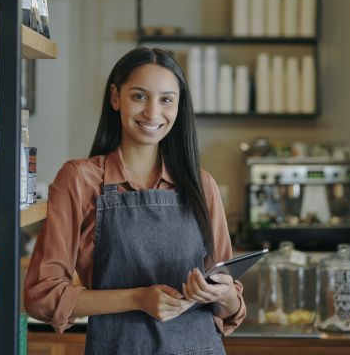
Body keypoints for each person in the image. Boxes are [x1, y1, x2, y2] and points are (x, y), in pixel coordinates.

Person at [24, 47, 245, 354]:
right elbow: (42, 297)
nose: (153, 113)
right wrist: (137, 298)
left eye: (166, 99)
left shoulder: (201, 184)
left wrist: (222, 295)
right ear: (116, 98)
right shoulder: (78, 179)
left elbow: (228, 305)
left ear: (178, 106)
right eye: (139, 96)